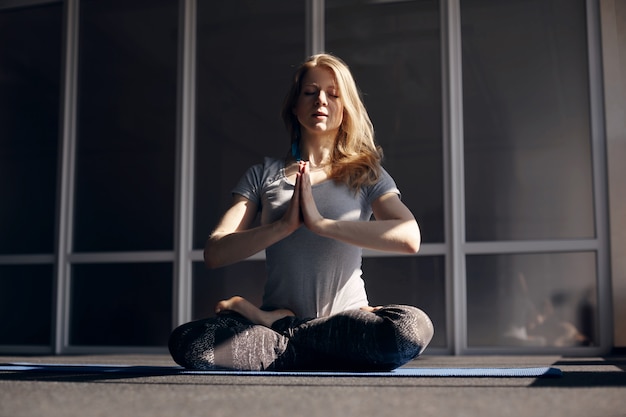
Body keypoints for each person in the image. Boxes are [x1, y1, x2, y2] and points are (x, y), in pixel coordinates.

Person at [168, 53, 434, 371]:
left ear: (345, 108)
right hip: (322, 338)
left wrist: (321, 224)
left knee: (411, 329)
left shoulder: (365, 173)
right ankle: (317, 345)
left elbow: (409, 236)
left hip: (342, 322)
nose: (320, 99)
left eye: (333, 94)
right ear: (295, 106)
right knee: (190, 343)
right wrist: (284, 225)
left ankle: (290, 335)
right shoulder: (262, 175)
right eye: (310, 92)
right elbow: (215, 252)